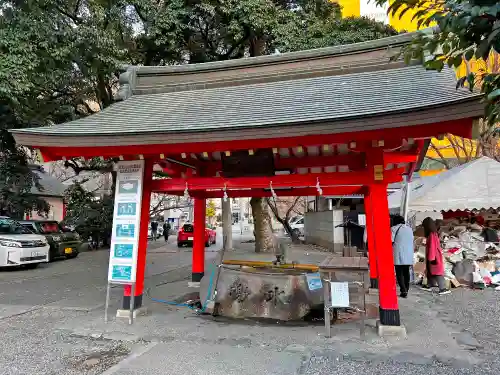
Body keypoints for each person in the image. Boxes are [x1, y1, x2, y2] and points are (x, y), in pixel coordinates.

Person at [421, 217, 451, 295]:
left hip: (434, 256)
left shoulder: (431, 235)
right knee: (431, 271)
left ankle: (442, 288)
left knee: (437, 272)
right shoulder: (433, 234)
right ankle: (429, 285)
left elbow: (432, 247)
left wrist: (431, 258)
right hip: (434, 256)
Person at [391, 215, 414, 298]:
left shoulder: (394, 228)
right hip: (408, 253)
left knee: (399, 272)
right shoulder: (409, 229)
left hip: (399, 253)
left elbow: (391, 240)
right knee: (406, 271)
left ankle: (403, 290)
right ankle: (406, 289)